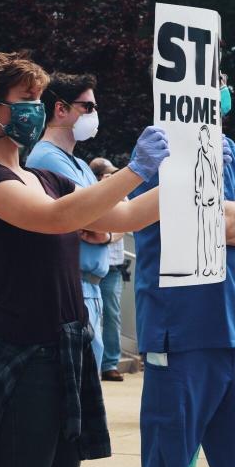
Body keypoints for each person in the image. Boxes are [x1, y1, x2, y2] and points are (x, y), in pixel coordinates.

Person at [0, 50, 168, 467]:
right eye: (27, 97)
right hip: (25, 355)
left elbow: (126, 216)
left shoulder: (44, 177)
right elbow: (55, 219)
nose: (37, 107)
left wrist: (181, 179)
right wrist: (136, 170)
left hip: (67, 347)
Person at [131, 72, 235, 467]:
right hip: (180, 337)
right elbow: (200, 223)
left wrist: (231, 216)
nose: (223, 88)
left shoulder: (230, 150)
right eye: (215, 81)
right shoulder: (158, 149)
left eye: (225, 80)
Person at [26, 73, 109, 370]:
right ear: (61, 109)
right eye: (87, 107)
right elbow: (93, 217)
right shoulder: (47, 158)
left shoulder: (80, 165)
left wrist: (105, 231)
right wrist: (102, 224)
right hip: (72, 289)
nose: (94, 114)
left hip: (90, 289)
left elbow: (103, 221)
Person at [89, 157, 129, 382]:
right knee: (90, 315)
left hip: (113, 266)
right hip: (90, 267)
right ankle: (91, 363)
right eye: (107, 174)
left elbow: (125, 222)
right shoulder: (87, 191)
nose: (112, 177)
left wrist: (106, 237)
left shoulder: (120, 194)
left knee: (112, 314)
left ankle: (110, 363)